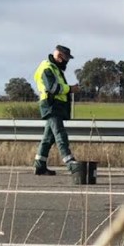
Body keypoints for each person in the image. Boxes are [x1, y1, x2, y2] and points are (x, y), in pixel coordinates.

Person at [32, 45, 80, 175]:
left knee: (48, 138)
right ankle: (70, 164)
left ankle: (40, 165)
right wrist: (70, 89)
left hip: (55, 105)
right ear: (59, 56)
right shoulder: (47, 68)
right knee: (60, 134)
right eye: (66, 58)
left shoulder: (54, 68)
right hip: (51, 105)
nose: (67, 62)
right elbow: (52, 88)